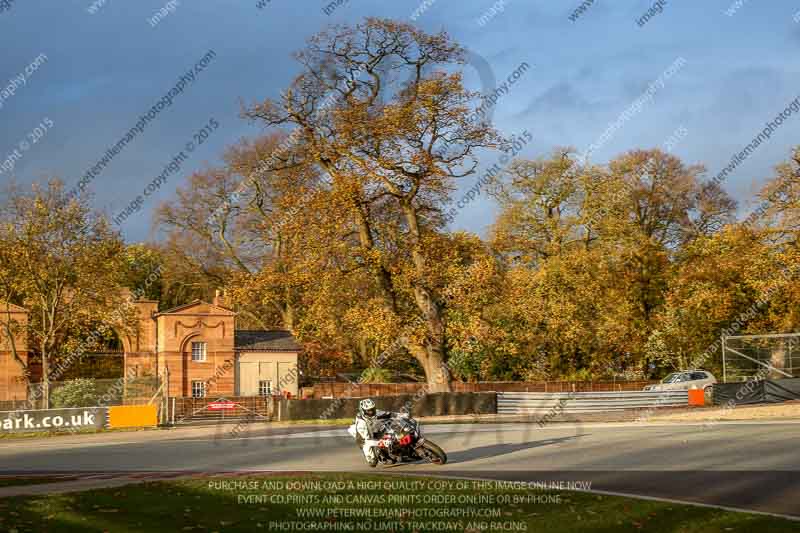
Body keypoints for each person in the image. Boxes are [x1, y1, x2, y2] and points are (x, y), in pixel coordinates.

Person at [348, 398, 403, 466]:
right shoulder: (361, 424)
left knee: (389, 427)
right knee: (373, 462)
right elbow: (367, 441)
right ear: (363, 411)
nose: (371, 412)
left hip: (374, 429)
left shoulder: (375, 412)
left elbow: (388, 414)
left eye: (372, 409)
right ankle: (380, 455)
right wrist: (382, 442)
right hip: (364, 439)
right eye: (369, 411)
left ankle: (398, 447)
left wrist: (400, 415)